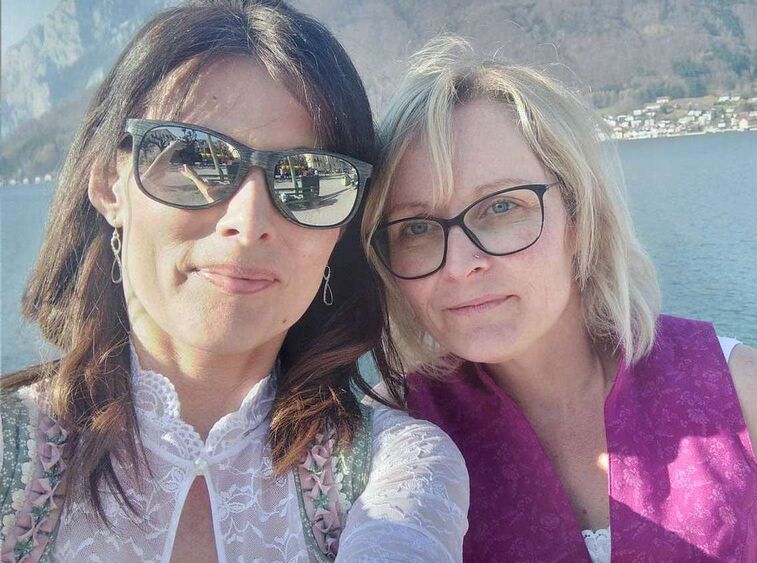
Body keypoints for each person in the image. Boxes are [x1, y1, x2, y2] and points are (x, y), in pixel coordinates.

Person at [362, 36, 757, 562]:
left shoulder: (750, 399)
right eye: (416, 228)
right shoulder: (384, 439)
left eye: (502, 207)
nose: (460, 264)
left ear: (580, 216)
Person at [0, 2, 468, 562]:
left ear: (339, 231)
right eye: (194, 159)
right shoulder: (13, 451)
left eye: (307, 181)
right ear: (107, 183)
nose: (248, 222)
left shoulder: (394, 467)